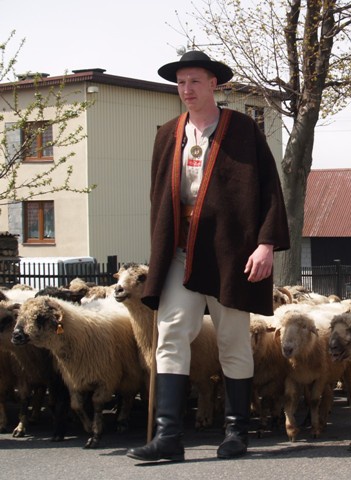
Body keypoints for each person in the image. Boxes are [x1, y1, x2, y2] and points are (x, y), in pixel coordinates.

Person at [126, 50, 290, 462]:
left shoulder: (242, 130)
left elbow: (270, 187)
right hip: (181, 253)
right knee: (171, 335)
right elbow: (158, 200)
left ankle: (236, 432)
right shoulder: (167, 133)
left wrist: (266, 244)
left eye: (194, 81)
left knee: (233, 341)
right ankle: (168, 437)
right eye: (181, 83)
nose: (186, 90)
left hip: (231, 255)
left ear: (213, 84)